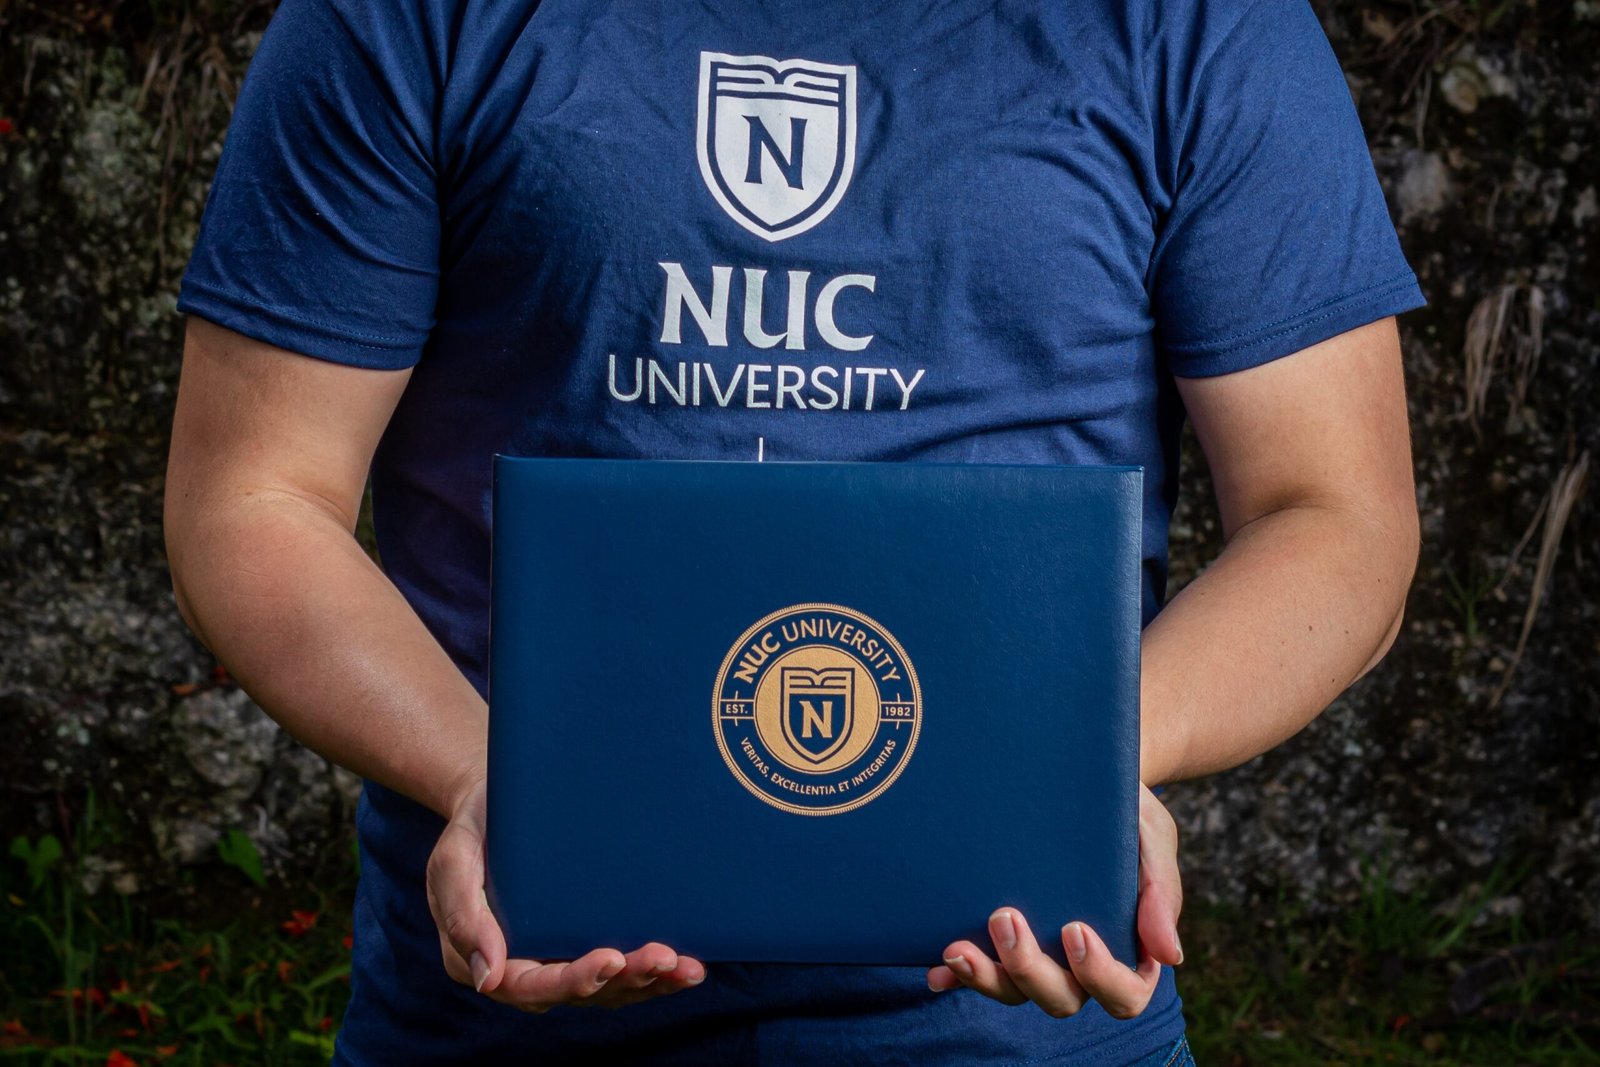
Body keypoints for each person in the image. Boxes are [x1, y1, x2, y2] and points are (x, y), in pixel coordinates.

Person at [163, 0, 1424, 1062]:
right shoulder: (409, 17)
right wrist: (481, 778)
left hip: (1020, 1016)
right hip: (500, 999)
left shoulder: (1195, 23)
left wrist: (1078, 771)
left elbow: (1334, 516)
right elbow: (255, 495)